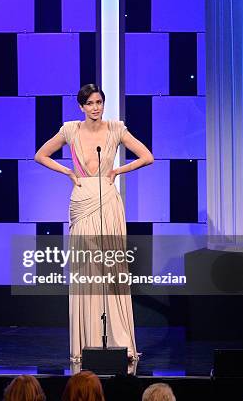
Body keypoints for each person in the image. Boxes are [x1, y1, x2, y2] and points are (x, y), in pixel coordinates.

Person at [35, 84, 153, 362]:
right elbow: (40, 155)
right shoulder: (70, 130)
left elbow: (147, 157)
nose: (96, 107)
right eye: (90, 103)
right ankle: (87, 341)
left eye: (99, 101)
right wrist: (68, 172)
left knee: (111, 270)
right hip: (82, 200)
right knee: (86, 271)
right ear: (81, 106)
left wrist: (118, 170)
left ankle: (119, 339)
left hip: (108, 200)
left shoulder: (116, 129)